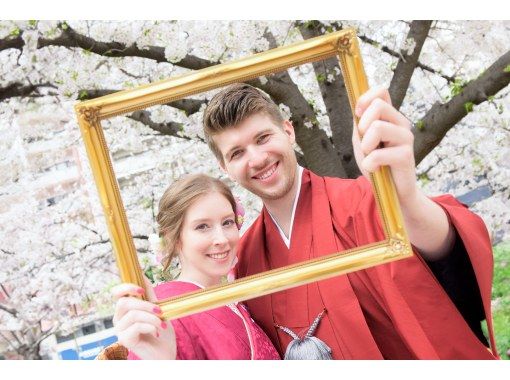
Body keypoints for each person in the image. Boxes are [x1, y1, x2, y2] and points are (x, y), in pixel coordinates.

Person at [201, 83, 499, 359]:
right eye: (237, 153)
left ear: (288, 132)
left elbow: (452, 271)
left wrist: (405, 198)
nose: (256, 159)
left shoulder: (364, 200)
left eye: (263, 138)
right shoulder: (245, 259)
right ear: (224, 166)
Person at [112, 174, 280, 360]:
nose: (222, 239)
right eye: (202, 227)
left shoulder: (232, 299)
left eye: (227, 222)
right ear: (173, 238)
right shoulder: (166, 308)